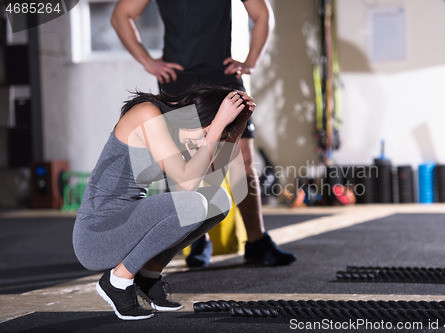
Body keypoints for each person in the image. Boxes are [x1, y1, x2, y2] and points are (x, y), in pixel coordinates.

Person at [111, 0, 296, 267]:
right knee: (186, 162)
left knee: (242, 159)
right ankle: (196, 239)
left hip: (223, 74)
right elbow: (121, 16)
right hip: (179, 78)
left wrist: (251, 62)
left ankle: (257, 241)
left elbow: (263, 14)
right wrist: (149, 62)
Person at [73, 86, 255, 320]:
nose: (204, 143)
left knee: (218, 200)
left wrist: (237, 127)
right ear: (196, 115)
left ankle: (148, 274)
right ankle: (118, 281)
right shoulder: (147, 114)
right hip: (97, 237)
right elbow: (189, 187)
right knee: (193, 204)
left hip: (126, 226)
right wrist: (219, 123)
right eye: (206, 133)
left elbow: (210, 180)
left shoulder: (181, 132)